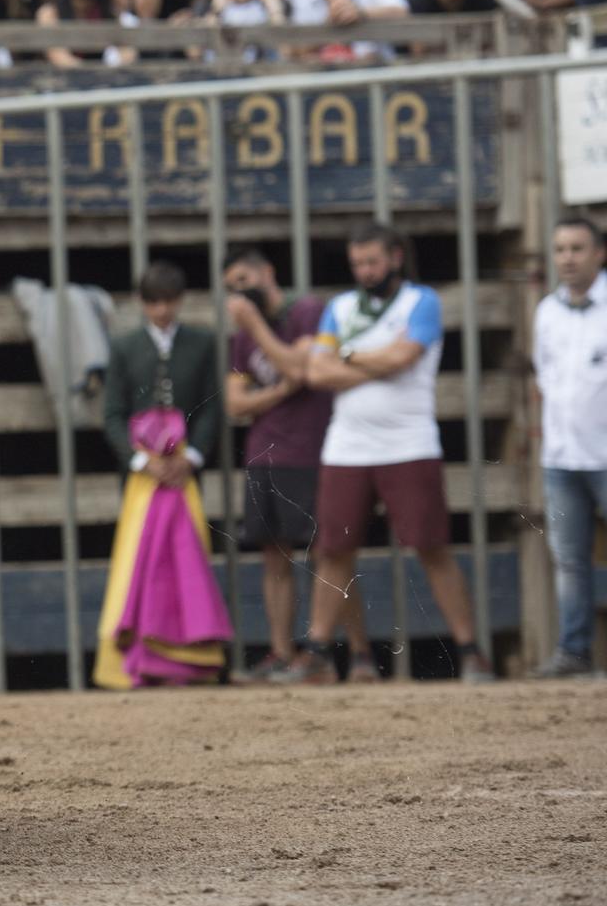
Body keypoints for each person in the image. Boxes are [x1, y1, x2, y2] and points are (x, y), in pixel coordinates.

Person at [288, 224, 493, 685]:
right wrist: (373, 359)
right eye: (358, 263)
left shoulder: (422, 301)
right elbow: (317, 374)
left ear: (396, 257)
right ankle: (319, 648)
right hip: (347, 445)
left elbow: (405, 359)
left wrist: (347, 353)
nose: (365, 271)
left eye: (373, 262)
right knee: (333, 548)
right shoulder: (339, 306)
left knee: (431, 545)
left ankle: (470, 649)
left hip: (409, 442)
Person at [222, 248, 376, 683]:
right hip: (263, 453)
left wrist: (257, 330)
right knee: (274, 558)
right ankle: (283, 654)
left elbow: (302, 368)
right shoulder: (241, 337)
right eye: (231, 286)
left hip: (309, 452)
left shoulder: (306, 311)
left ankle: (359, 655)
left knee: (329, 554)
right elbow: (235, 401)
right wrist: (277, 393)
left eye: (243, 279)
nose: (239, 291)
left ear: (268, 272)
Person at [95, 259, 229, 689]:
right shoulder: (124, 347)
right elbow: (113, 414)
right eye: (153, 303)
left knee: (185, 561)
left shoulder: (203, 344)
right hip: (142, 477)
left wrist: (191, 456)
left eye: (168, 302)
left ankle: (187, 662)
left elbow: (211, 407)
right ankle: (141, 661)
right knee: (142, 564)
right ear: (142, 304)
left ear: (180, 301)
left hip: (184, 473)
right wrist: (142, 461)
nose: (161, 311)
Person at [530, 216, 607, 681]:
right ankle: (574, 652)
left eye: (577, 248)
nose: (568, 258)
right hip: (561, 457)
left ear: (600, 252)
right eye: (560, 249)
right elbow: (545, 376)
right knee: (570, 560)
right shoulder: (546, 312)